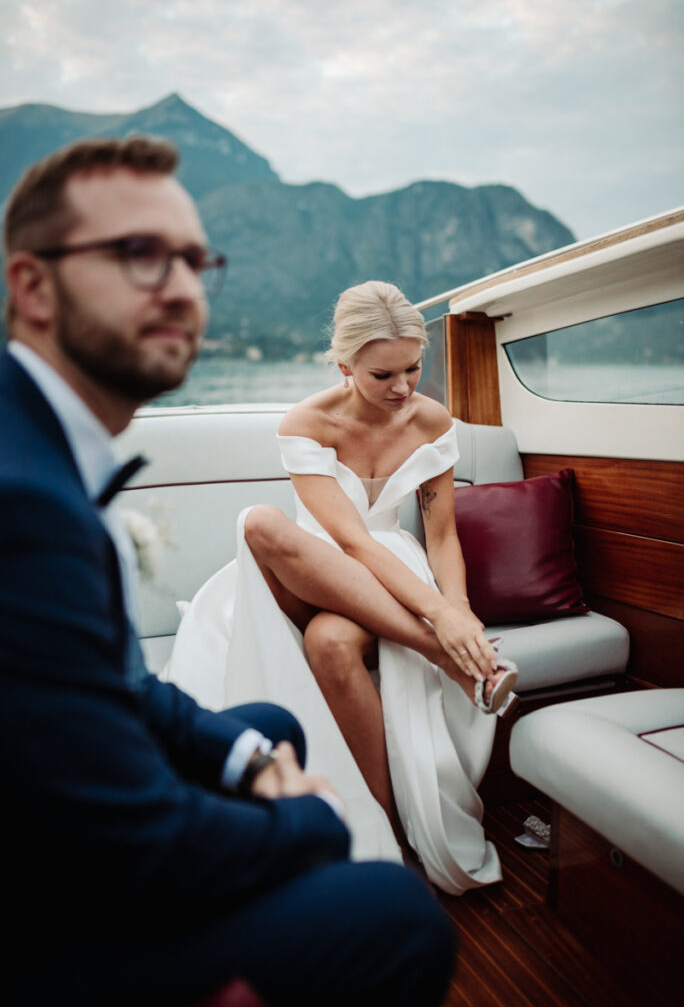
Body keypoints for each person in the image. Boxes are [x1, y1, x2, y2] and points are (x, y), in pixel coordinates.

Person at [0, 138, 453, 1007]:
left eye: (193, 259)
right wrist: (306, 815)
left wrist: (250, 757)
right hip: (48, 913)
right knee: (398, 913)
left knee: (268, 720)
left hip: (63, 807)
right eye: (138, 254)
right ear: (32, 286)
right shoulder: (25, 499)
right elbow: (131, 836)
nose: (180, 285)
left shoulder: (40, 447)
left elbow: (118, 686)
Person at [167, 280, 518, 894]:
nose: (403, 388)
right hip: (312, 566)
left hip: (389, 575)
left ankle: (383, 833)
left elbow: (441, 537)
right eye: (383, 375)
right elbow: (352, 541)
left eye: (413, 368)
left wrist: (459, 610)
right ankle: (452, 662)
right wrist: (441, 627)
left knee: (330, 644)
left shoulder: (432, 421)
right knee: (259, 523)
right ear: (344, 365)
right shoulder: (306, 422)